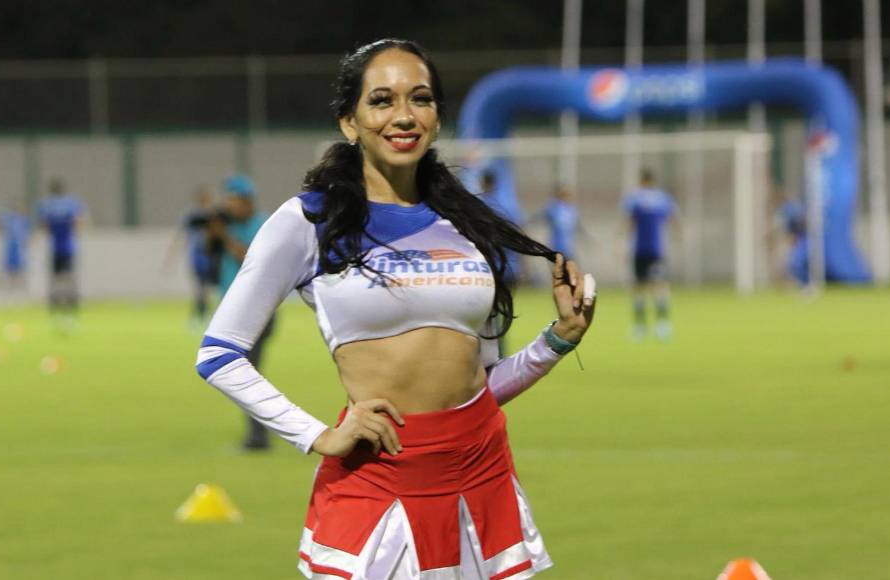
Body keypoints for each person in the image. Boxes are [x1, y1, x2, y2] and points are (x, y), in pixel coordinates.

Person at [195, 39, 596, 579]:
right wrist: (316, 435)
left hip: (481, 475)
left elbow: (482, 385)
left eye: (421, 99)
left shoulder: (471, 224)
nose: (403, 115)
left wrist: (558, 340)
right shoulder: (310, 221)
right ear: (349, 122)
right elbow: (220, 354)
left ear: (436, 116)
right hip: (379, 478)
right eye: (382, 101)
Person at [206, 174, 275, 450]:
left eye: (233, 201)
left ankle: (259, 438)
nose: (229, 207)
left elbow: (251, 260)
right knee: (243, 374)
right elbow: (211, 257)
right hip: (234, 311)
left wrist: (224, 236)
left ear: (247, 201)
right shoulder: (230, 225)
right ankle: (257, 435)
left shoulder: (263, 225)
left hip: (256, 311)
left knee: (246, 375)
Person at [622, 168, 677, 341]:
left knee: (639, 288)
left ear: (641, 181)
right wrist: (677, 236)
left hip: (640, 249)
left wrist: (621, 243)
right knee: (660, 286)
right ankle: (662, 325)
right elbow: (672, 219)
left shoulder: (634, 199)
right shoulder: (663, 199)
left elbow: (629, 223)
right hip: (656, 249)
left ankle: (640, 326)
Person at [164, 186, 220, 327]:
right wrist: (171, 256)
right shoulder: (193, 216)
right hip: (197, 255)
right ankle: (199, 317)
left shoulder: (214, 215)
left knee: (206, 288)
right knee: (200, 288)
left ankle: (202, 316)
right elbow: (180, 236)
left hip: (210, 255)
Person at [36, 178, 87, 329]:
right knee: (69, 277)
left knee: (56, 278)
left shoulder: (47, 205)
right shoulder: (72, 203)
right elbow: (79, 222)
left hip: (56, 247)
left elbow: (43, 225)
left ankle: (56, 305)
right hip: (69, 247)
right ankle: (71, 305)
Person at [0, 201, 31, 297]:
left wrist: (25, 243)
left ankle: (22, 291)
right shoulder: (7, 219)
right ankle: (5, 291)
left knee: (20, 269)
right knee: (7, 269)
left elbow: (25, 234)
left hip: (18, 248)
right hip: (9, 248)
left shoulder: (22, 220)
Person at [542, 184, 583, 264]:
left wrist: (587, 240)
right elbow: (540, 218)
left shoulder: (572, 210)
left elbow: (578, 227)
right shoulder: (553, 208)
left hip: (569, 248)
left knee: (573, 270)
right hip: (556, 248)